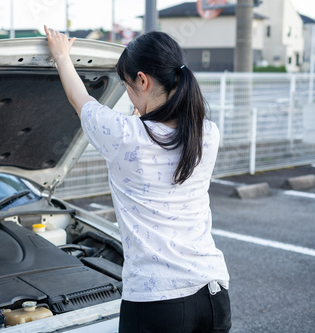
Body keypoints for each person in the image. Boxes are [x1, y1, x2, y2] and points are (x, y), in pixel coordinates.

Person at [44, 25, 231, 333]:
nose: (128, 92)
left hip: (157, 302)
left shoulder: (124, 135)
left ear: (142, 80)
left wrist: (62, 56)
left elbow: (80, 100)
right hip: (213, 295)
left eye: (127, 84)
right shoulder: (207, 132)